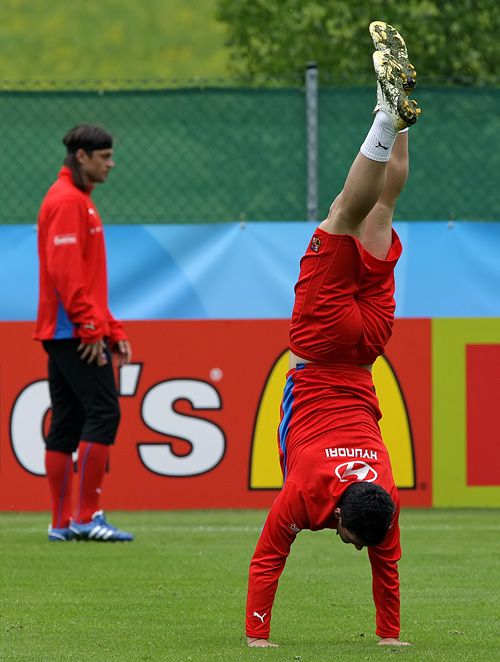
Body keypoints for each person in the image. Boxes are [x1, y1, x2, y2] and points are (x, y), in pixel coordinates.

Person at [245, 22, 420, 648]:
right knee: (345, 214)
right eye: (352, 537)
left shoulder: (385, 494)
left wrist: (391, 637)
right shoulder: (309, 489)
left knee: (377, 211)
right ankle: (385, 113)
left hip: (368, 344)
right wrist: (256, 639)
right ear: (344, 511)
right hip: (321, 349)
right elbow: (268, 561)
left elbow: (387, 564)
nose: (351, 545)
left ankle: (395, 123)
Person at [34, 123, 134, 542]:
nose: (111, 164)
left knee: (68, 421)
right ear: (82, 157)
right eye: (104, 157)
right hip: (72, 329)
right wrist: (91, 328)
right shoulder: (68, 202)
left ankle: (62, 523)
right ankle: (86, 516)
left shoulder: (76, 200)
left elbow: (87, 280)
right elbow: (66, 274)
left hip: (69, 327)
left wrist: (110, 327)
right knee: (104, 412)